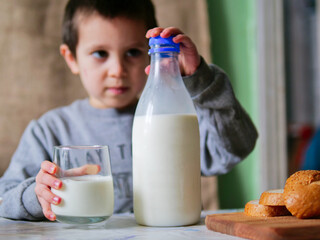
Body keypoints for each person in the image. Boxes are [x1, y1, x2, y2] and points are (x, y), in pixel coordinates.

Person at [0, 0, 258, 221]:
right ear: (71, 58)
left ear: (150, 55)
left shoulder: (171, 118)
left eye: (133, 52)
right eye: (100, 53)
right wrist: (36, 195)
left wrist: (201, 81)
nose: (117, 70)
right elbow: (4, 197)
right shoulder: (50, 130)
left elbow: (234, 148)